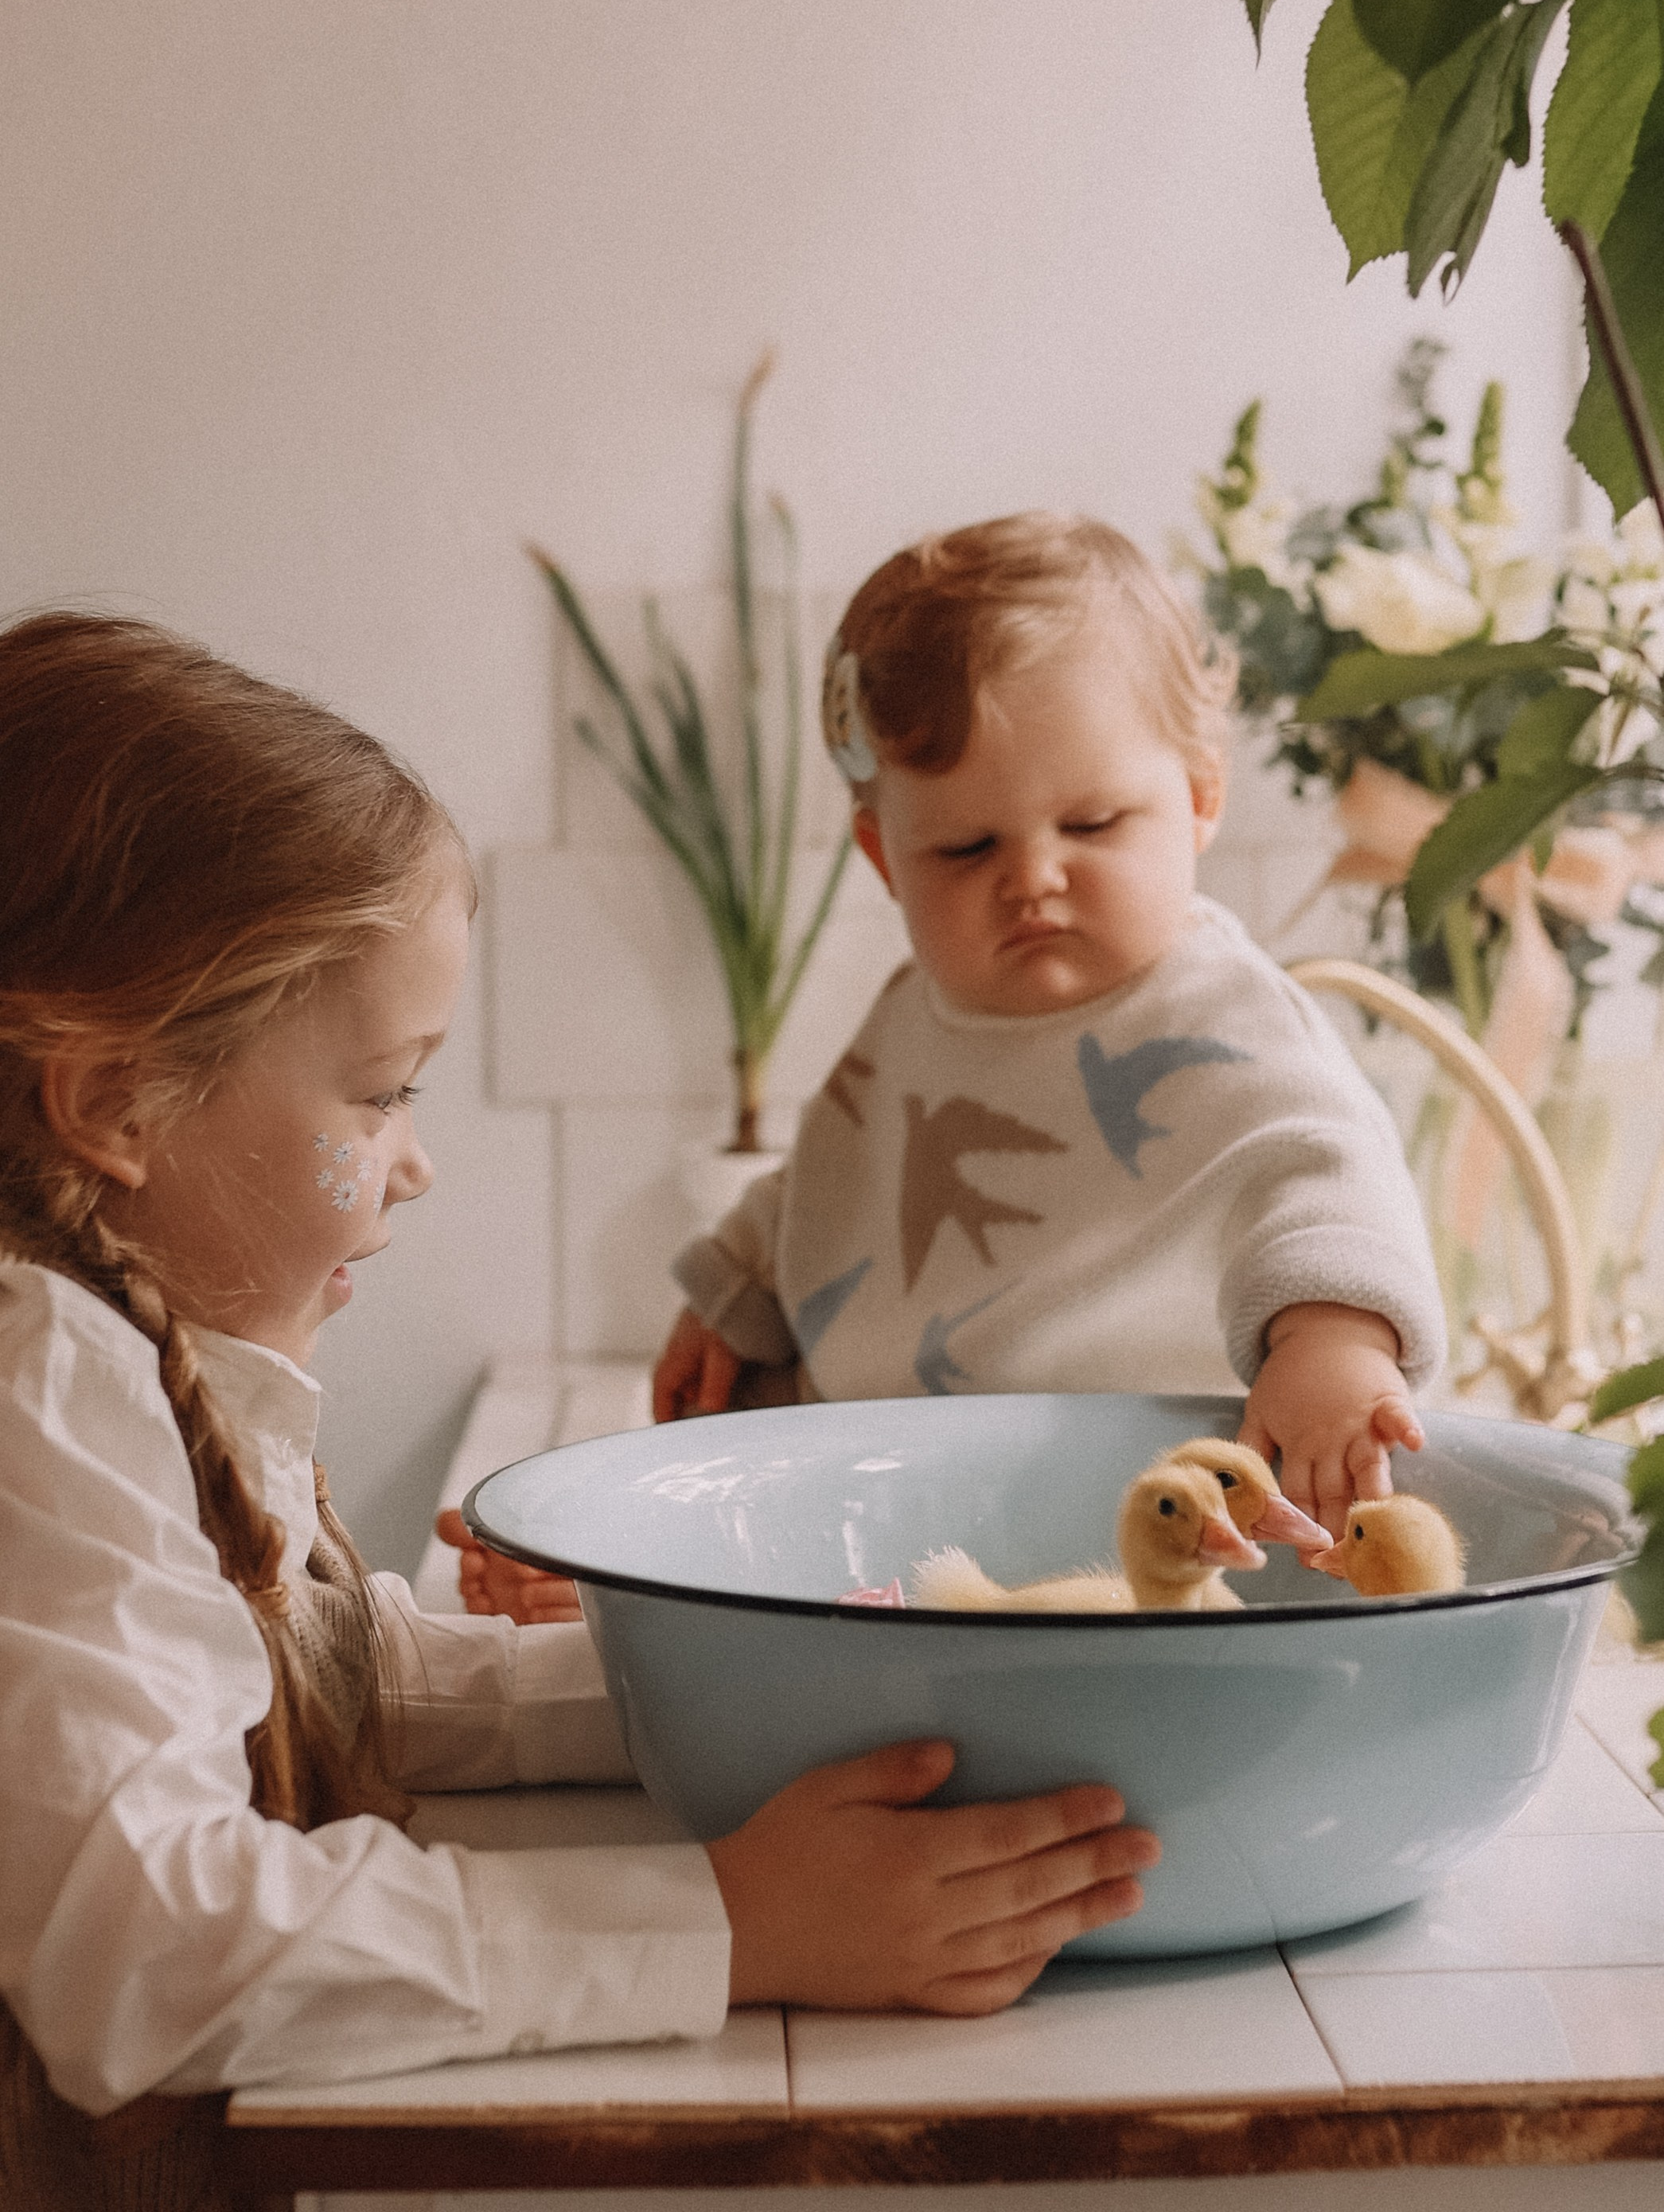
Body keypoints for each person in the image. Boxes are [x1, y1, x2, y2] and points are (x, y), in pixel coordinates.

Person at [0, 611, 1159, 2204]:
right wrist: (733, 1921)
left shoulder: (106, 1355)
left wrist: (744, 1690)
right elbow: (146, 1946)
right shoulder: (38, 1383)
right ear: (112, 1101)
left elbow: (329, 1679)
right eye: (381, 1089)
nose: (409, 1158)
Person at [654, 515, 1446, 1544]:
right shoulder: (914, 1012)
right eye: (966, 846)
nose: (1031, 877)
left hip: (1160, 1507)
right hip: (907, 1498)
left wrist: (1334, 1345)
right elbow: (844, 1170)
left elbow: (1325, 1182)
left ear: (1201, 798)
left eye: (1092, 825)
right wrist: (740, 1284)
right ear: (883, 854)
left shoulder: (1224, 1016)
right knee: (719, 1473)